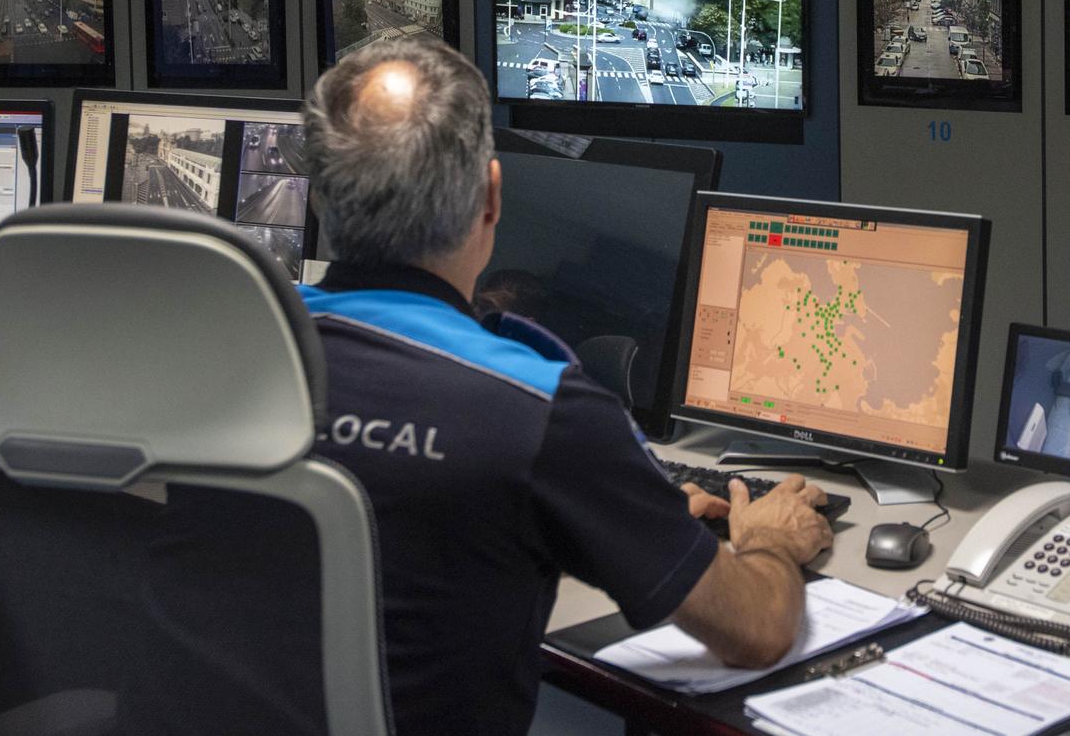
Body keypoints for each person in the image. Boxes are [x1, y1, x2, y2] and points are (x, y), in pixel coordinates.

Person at [297, 39, 832, 734]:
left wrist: (632, 508)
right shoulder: (539, 408)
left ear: (320, 194)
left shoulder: (231, 353)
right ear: (492, 196)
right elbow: (757, 628)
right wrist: (770, 541)